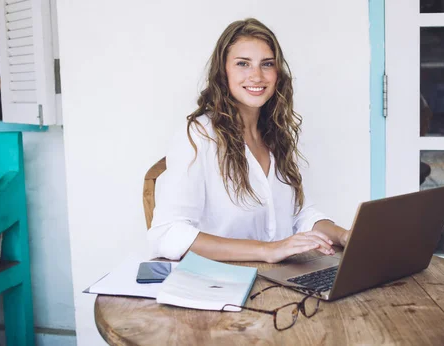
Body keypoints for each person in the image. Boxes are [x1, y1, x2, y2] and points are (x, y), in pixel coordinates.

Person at [148, 18, 350, 263]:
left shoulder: (276, 135)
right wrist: (267, 250)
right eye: (243, 64)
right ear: (223, 72)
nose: (257, 76)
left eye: (267, 64)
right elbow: (168, 233)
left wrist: (344, 236)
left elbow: (299, 215)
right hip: (219, 284)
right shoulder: (197, 136)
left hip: (278, 280)